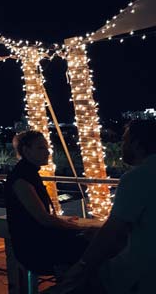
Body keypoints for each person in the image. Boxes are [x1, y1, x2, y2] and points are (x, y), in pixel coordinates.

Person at [61, 120, 156, 294]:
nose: (122, 145)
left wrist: (82, 265)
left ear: (136, 144)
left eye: (125, 140)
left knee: (77, 281)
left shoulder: (136, 178)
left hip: (142, 275)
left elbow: (113, 231)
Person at [4, 130, 88, 274]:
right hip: (35, 248)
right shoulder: (21, 179)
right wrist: (75, 227)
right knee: (93, 245)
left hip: (39, 241)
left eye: (47, 147)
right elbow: (43, 218)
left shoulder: (27, 174)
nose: (48, 152)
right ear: (26, 150)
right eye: (41, 148)